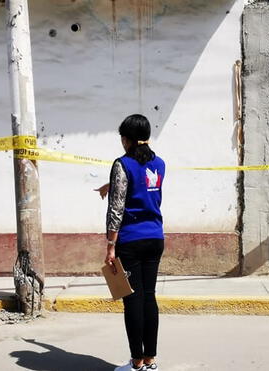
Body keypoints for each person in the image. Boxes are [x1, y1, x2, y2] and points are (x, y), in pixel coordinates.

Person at [95, 114, 165, 371]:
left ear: (128, 140)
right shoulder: (159, 164)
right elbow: (140, 189)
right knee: (149, 296)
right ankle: (151, 360)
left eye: (123, 137)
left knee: (132, 299)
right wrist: (111, 184)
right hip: (155, 237)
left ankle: (136, 363)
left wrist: (110, 245)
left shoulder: (122, 164)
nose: (122, 142)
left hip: (131, 240)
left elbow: (117, 208)